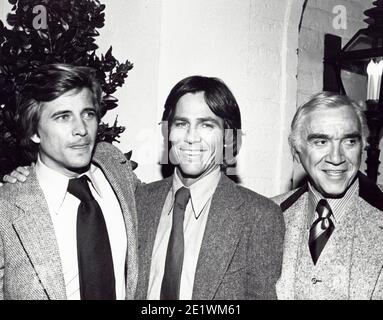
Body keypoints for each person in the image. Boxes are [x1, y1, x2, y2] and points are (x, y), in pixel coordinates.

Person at [134, 75, 285, 300]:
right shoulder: (139, 202)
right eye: (181, 124)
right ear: (168, 133)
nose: (191, 137)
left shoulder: (259, 216)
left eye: (206, 125)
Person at [0, 63, 138, 300]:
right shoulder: (7, 207)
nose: (82, 129)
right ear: (34, 131)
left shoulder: (115, 166)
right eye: (63, 117)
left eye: (88, 114)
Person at [272, 92, 383, 300]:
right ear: (297, 150)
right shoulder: (267, 216)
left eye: (349, 141)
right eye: (321, 142)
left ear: (363, 146)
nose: (336, 158)